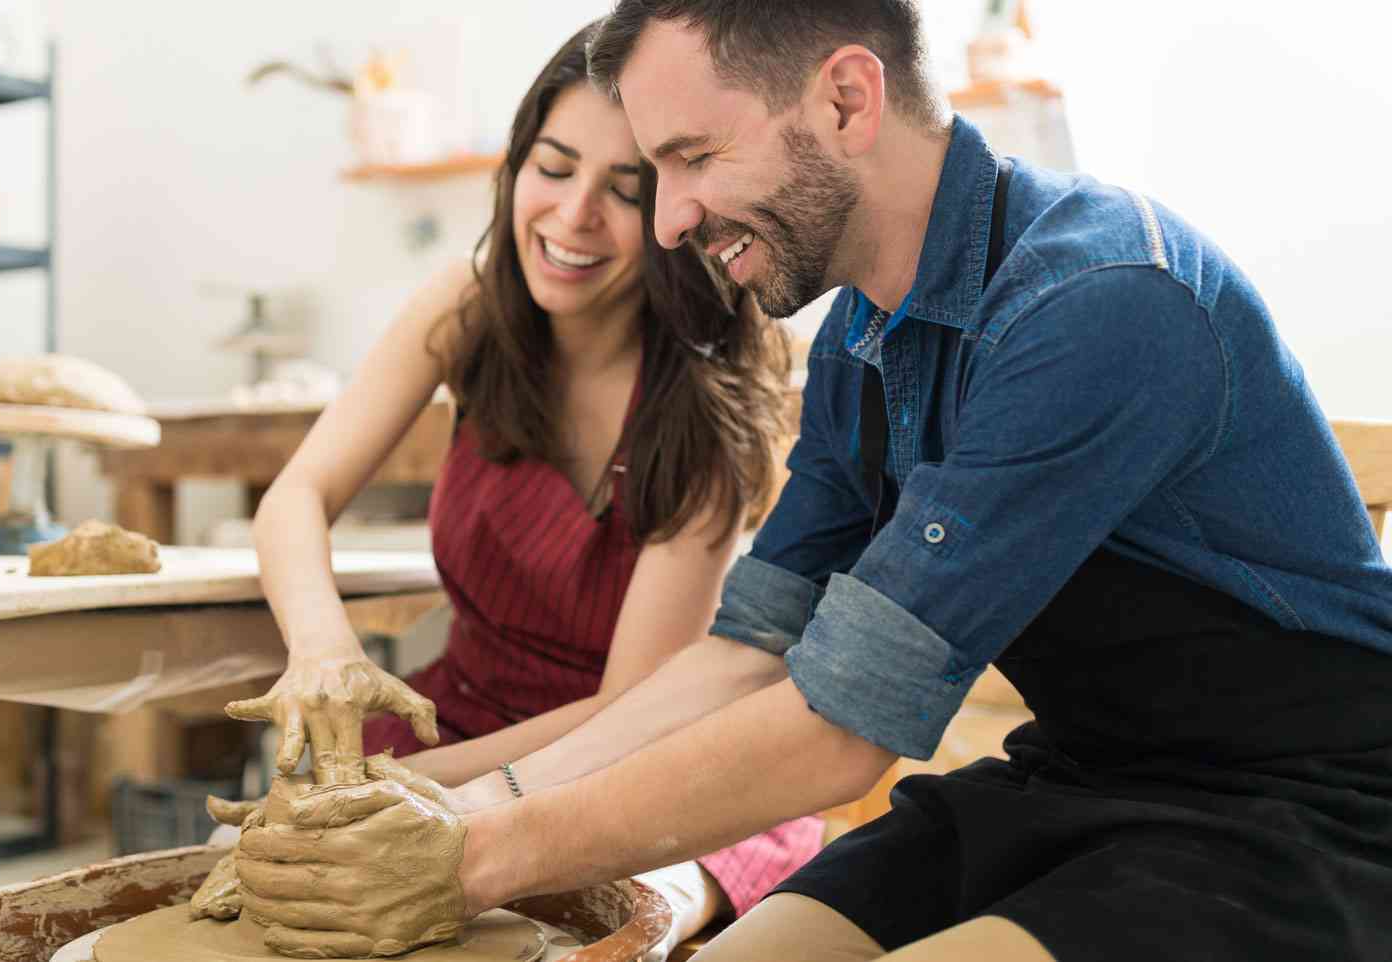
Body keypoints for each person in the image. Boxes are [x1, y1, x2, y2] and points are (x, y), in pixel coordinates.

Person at [231, 2, 1392, 960]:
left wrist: (471, 857)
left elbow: (844, 731)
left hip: (1303, 812)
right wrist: (455, 804)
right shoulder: (860, 339)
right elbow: (745, 658)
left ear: (845, 98)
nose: (671, 217)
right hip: (1079, 774)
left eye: (689, 158)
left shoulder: (1097, 298)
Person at [227, 21, 817, 945]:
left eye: (625, 190)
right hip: (455, 721)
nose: (573, 216)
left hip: (626, 754)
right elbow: (295, 498)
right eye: (552, 166)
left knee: (633, 914)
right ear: (514, 167)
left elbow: (634, 706)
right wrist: (324, 655)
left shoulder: (707, 412)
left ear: (675, 211)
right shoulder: (469, 308)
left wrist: (443, 793)